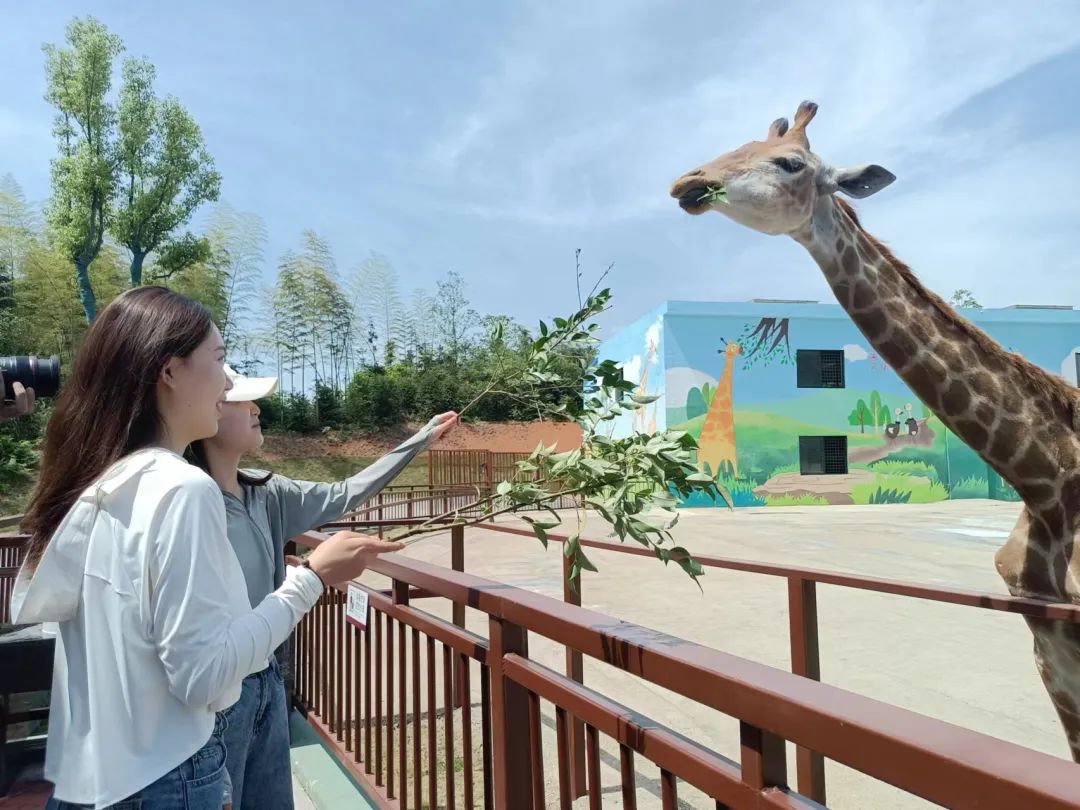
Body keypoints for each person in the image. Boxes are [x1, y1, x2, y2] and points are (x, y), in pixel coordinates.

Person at [11, 286, 400, 810]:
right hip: (167, 779)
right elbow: (202, 677)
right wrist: (311, 577)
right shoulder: (182, 489)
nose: (227, 382)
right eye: (219, 361)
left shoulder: (107, 484)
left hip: (97, 781)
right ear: (169, 372)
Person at [184, 364, 457, 809]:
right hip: (216, 694)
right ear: (206, 410)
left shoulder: (268, 493)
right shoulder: (188, 504)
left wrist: (420, 439)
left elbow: (348, 492)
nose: (256, 409)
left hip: (267, 679)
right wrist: (310, 572)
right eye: (242, 401)